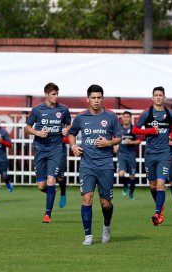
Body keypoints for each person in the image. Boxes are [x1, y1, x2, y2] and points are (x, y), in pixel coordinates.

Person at [68, 84, 121, 246]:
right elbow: (71, 133)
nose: (96, 101)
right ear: (88, 99)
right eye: (93, 98)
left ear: (102, 98)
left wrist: (108, 142)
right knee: (87, 198)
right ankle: (88, 235)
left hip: (105, 164)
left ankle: (106, 225)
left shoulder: (111, 117)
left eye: (99, 98)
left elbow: (118, 137)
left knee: (105, 203)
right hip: (87, 164)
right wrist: (73, 146)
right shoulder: (81, 117)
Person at [25, 82, 71, 223]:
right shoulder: (37, 110)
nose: (56, 97)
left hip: (56, 150)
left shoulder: (63, 110)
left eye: (57, 94)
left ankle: (47, 215)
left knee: (51, 180)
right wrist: (38, 132)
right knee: (42, 186)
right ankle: (52, 192)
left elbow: (69, 124)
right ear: (46, 94)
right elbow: (27, 128)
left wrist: (66, 129)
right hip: (40, 149)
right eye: (53, 94)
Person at [132, 86, 172, 226]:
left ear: (164, 97)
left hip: (164, 153)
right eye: (156, 95)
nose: (158, 97)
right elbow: (135, 129)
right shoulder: (147, 114)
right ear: (152, 98)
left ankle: (158, 213)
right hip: (150, 154)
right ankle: (160, 207)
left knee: (160, 185)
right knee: (152, 186)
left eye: (160, 95)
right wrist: (151, 131)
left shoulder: (169, 114)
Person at [113, 111, 142, 200]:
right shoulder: (119, 128)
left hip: (131, 155)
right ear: (122, 118)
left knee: (132, 176)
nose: (126, 118)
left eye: (127, 117)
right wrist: (114, 146)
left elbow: (139, 140)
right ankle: (125, 185)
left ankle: (131, 193)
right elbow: (114, 138)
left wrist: (131, 142)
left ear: (130, 118)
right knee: (121, 174)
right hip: (121, 154)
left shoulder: (134, 128)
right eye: (124, 117)